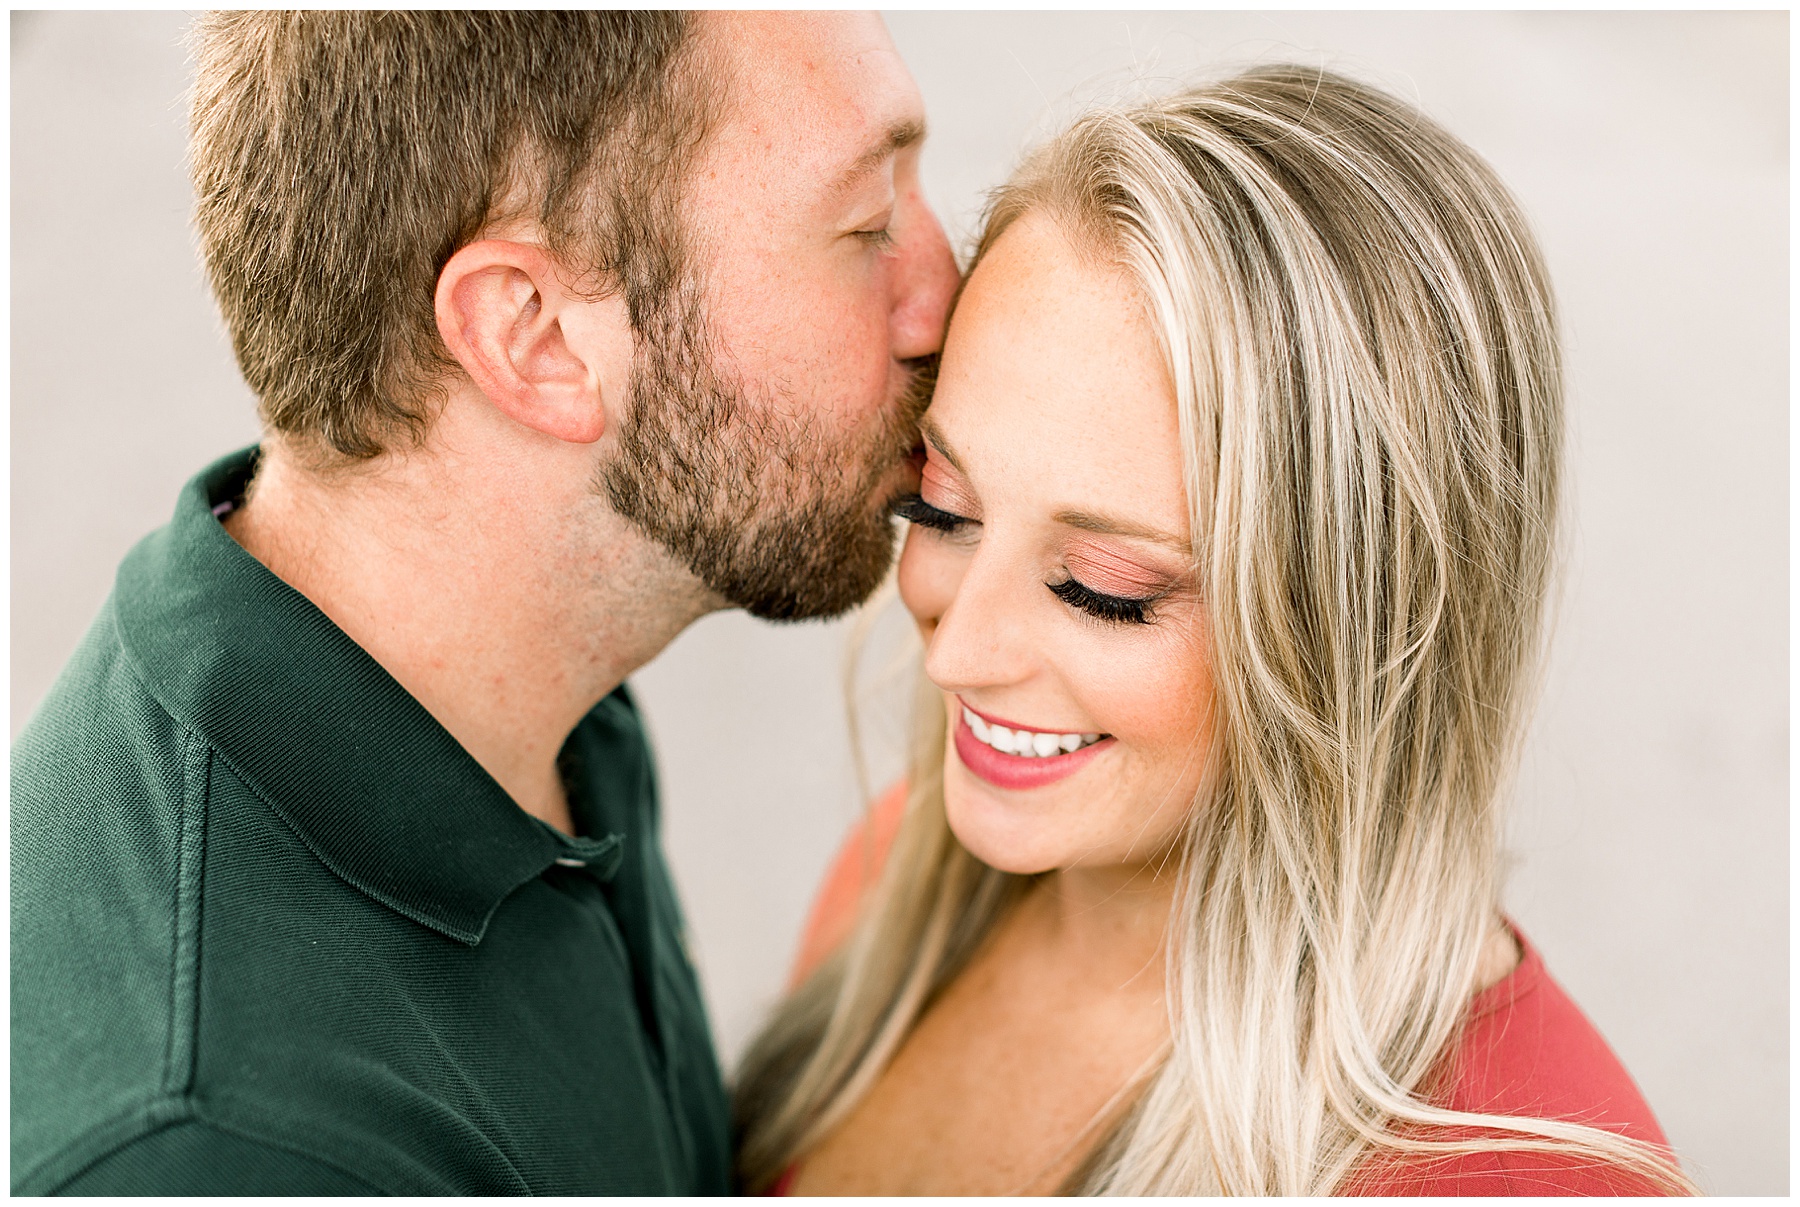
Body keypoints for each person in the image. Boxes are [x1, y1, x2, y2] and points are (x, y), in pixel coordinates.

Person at [10, 11, 957, 1196]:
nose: (944, 298)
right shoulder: (224, 1154)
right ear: (537, 336)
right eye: (867, 224)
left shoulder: (535, 696)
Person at [734, 66, 1693, 1196]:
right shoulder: (896, 877)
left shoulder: (1516, 1178)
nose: (956, 653)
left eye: (1102, 586)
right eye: (944, 508)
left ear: (1360, 633)